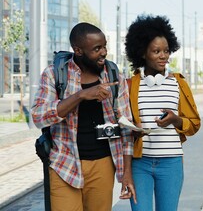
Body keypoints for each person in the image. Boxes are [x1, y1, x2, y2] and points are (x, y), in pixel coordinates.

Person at [31, 22, 136, 211]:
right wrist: (79, 96)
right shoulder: (54, 74)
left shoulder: (113, 76)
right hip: (64, 164)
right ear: (78, 51)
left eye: (104, 46)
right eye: (97, 49)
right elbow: (38, 117)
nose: (103, 52)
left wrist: (126, 173)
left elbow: (126, 128)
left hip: (103, 165)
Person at [124, 14, 201, 211]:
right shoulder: (130, 85)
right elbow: (122, 122)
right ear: (142, 53)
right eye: (156, 51)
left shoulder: (179, 83)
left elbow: (194, 124)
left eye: (166, 51)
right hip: (140, 164)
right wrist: (133, 129)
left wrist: (176, 120)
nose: (163, 56)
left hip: (171, 163)